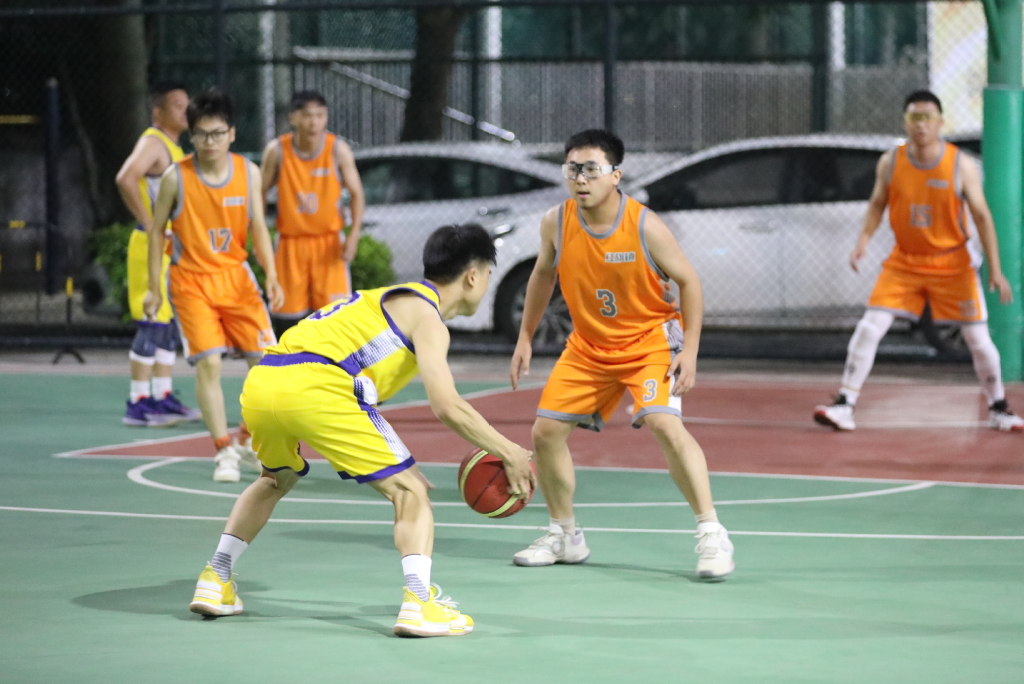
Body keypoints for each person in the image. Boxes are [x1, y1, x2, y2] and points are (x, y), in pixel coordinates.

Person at [188, 224, 536, 638]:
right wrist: (510, 450)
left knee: (274, 479)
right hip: (320, 385)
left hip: (264, 381)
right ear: (473, 276)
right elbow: (447, 405)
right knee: (411, 493)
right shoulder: (428, 320)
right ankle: (419, 604)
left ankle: (216, 577)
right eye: (489, 274)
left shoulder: (382, 298)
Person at [509, 128, 735, 579]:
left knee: (664, 424)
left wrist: (690, 350)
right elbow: (542, 274)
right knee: (545, 433)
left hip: (649, 341)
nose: (580, 178)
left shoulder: (645, 225)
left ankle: (712, 533)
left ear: (616, 175)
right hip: (589, 347)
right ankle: (564, 536)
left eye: (591, 169)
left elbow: (689, 282)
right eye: (572, 169)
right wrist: (525, 336)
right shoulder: (556, 222)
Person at [814, 90, 1023, 432]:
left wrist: (995, 270)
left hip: (952, 263)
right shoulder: (891, 162)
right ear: (905, 122)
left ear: (940, 122)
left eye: (927, 117)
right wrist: (863, 241)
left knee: (977, 339)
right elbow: (877, 203)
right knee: (870, 327)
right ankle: (844, 405)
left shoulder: (960, 165)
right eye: (914, 117)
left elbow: (982, 217)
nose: (921, 125)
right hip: (905, 262)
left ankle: (999, 407)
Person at [145, 89, 283, 482]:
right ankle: (224, 450)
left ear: (232, 134)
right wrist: (153, 288)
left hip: (237, 279)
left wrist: (272, 273)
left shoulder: (248, 173)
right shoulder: (175, 177)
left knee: (267, 366)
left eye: (218, 133)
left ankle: (247, 437)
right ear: (191, 136)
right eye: (202, 134)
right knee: (209, 363)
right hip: (191, 281)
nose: (210, 141)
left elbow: (258, 226)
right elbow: (156, 232)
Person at [113, 82, 198, 427]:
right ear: (158, 112)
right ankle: (137, 402)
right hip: (151, 246)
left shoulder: (173, 147)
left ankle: (162, 396)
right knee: (152, 322)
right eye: (177, 105)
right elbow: (125, 178)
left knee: (168, 325)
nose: (185, 111)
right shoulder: (153, 142)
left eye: (187, 104)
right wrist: (151, 225)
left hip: (169, 247)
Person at [260, 91, 365, 333]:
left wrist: (353, 235)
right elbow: (258, 192)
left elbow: (357, 194)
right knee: (287, 321)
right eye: (307, 115)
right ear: (293, 118)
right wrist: (260, 235)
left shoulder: (337, 149)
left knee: (335, 320)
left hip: (328, 244)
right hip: (290, 243)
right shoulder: (277, 150)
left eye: (320, 115)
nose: (314, 122)